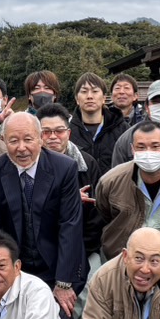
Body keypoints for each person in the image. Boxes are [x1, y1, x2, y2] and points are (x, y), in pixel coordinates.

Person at [0, 111, 87, 319]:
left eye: (28, 139)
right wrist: (0, 272)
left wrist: (64, 282)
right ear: (2, 140)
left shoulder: (64, 168)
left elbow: (70, 225)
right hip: (16, 264)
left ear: (40, 138)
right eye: (13, 141)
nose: (21, 148)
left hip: (56, 262)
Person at [96, 121, 160, 273]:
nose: (148, 152)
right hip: (127, 256)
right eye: (141, 147)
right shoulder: (111, 181)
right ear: (132, 150)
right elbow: (104, 213)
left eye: (155, 146)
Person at [37, 102, 103, 289]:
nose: (53, 137)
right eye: (46, 132)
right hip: (40, 249)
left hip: (84, 246)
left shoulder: (87, 165)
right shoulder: (28, 166)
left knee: (92, 285)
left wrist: (77, 250)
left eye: (59, 131)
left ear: (68, 132)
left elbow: (96, 217)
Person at [69, 71, 127, 173]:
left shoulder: (122, 129)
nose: (89, 96)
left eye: (95, 91)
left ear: (104, 98)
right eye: (84, 91)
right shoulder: (67, 131)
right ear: (77, 99)